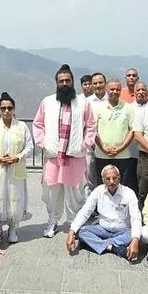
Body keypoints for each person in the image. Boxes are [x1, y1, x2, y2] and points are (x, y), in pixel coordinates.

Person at [33, 64, 96, 238]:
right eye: (61, 81)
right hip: (54, 157)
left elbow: (91, 126)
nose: (64, 83)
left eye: (67, 80)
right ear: (56, 83)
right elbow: (38, 124)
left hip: (75, 156)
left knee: (76, 193)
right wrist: (43, 143)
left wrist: (85, 144)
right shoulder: (47, 102)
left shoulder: (83, 103)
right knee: (53, 192)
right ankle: (53, 221)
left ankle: (75, 224)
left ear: (73, 81)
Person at [0, 92, 33, 243]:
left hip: (15, 169)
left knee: (15, 199)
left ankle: (13, 228)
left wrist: (18, 157)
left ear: (14, 109)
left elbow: (29, 145)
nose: (6, 111)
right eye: (3, 108)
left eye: (9, 108)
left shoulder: (21, 126)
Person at [66, 164, 141, 261]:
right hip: (103, 229)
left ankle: (96, 244)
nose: (111, 182)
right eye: (108, 179)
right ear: (103, 180)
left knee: (136, 234)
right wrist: (71, 232)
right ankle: (113, 248)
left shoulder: (129, 193)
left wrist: (135, 240)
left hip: (123, 231)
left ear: (119, 178)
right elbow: (85, 212)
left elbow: (136, 217)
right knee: (82, 231)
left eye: (114, 178)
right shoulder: (98, 191)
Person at [94, 79, 136, 191]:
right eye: (112, 89)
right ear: (106, 90)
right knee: (102, 188)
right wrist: (103, 147)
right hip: (101, 154)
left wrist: (120, 148)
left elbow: (132, 130)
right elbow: (93, 130)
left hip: (123, 155)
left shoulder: (128, 108)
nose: (114, 91)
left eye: (117, 89)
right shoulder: (97, 107)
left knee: (123, 187)